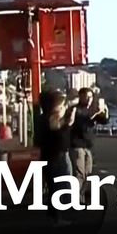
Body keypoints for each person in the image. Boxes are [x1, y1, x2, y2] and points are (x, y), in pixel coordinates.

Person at [36, 91, 75, 225]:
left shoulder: (44, 119)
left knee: (56, 187)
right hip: (56, 157)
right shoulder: (52, 120)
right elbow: (59, 138)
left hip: (52, 156)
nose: (64, 108)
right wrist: (67, 124)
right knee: (59, 187)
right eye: (61, 105)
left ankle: (54, 216)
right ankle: (56, 218)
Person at [68, 87, 109, 186]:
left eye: (91, 97)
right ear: (81, 97)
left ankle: (81, 193)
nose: (89, 99)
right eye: (87, 97)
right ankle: (76, 194)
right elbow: (82, 122)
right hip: (77, 145)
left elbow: (104, 121)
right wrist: (94, 113)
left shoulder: (91, 109)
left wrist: (105, 111)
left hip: (88, 145)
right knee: (79, 173)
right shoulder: (76, 109)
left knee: (88, 173)